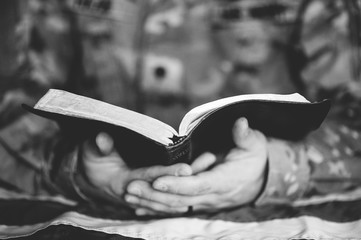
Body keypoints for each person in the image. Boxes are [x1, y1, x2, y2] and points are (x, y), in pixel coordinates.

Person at [0, 0, 360, 218]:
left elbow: (354, 119)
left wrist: (277, 169)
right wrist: (73, 167)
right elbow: (13, 105)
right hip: (92, 208)